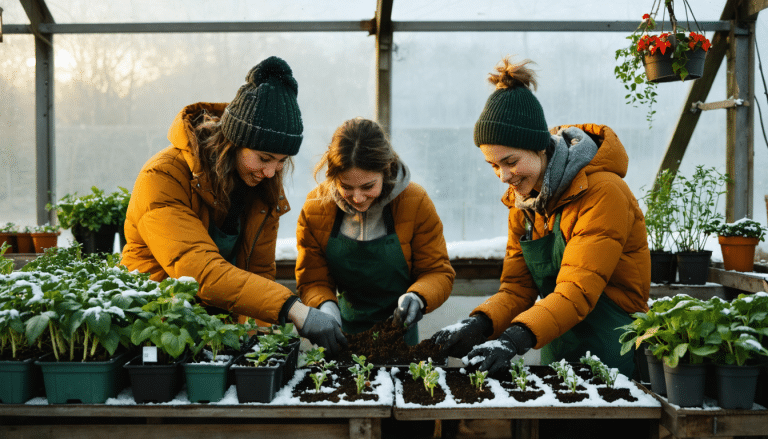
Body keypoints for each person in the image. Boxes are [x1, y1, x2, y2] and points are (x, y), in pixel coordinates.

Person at [432, 57, 650, 377]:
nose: (503, 176)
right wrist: (478, 324)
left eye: (510, 161)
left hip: (613, 346)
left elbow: (576, 290)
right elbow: (517, 290)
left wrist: (513, 339)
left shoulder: (603, 193)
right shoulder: (525, 205)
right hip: (555, 342)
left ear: (538, 148)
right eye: (494, 166)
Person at [121, 56, 347, 354]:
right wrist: (294, 309)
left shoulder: (262, 189)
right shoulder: (164, 176)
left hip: (215, 334)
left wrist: (259, 347)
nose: (270, 172)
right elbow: (197, 269)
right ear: (233, 141)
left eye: (281, 162)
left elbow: (258, 274)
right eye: (264, 158)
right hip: (158, 328)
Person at [295, 117, 455, 350]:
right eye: (346, 187)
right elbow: (312, 279)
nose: (358, 198)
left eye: (368, 186)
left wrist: (417, 298)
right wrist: (325, 308)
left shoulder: (414, 203)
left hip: (400, 336)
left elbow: (437, 271)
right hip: (340, 335)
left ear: (386, 170)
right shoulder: (316, 208)